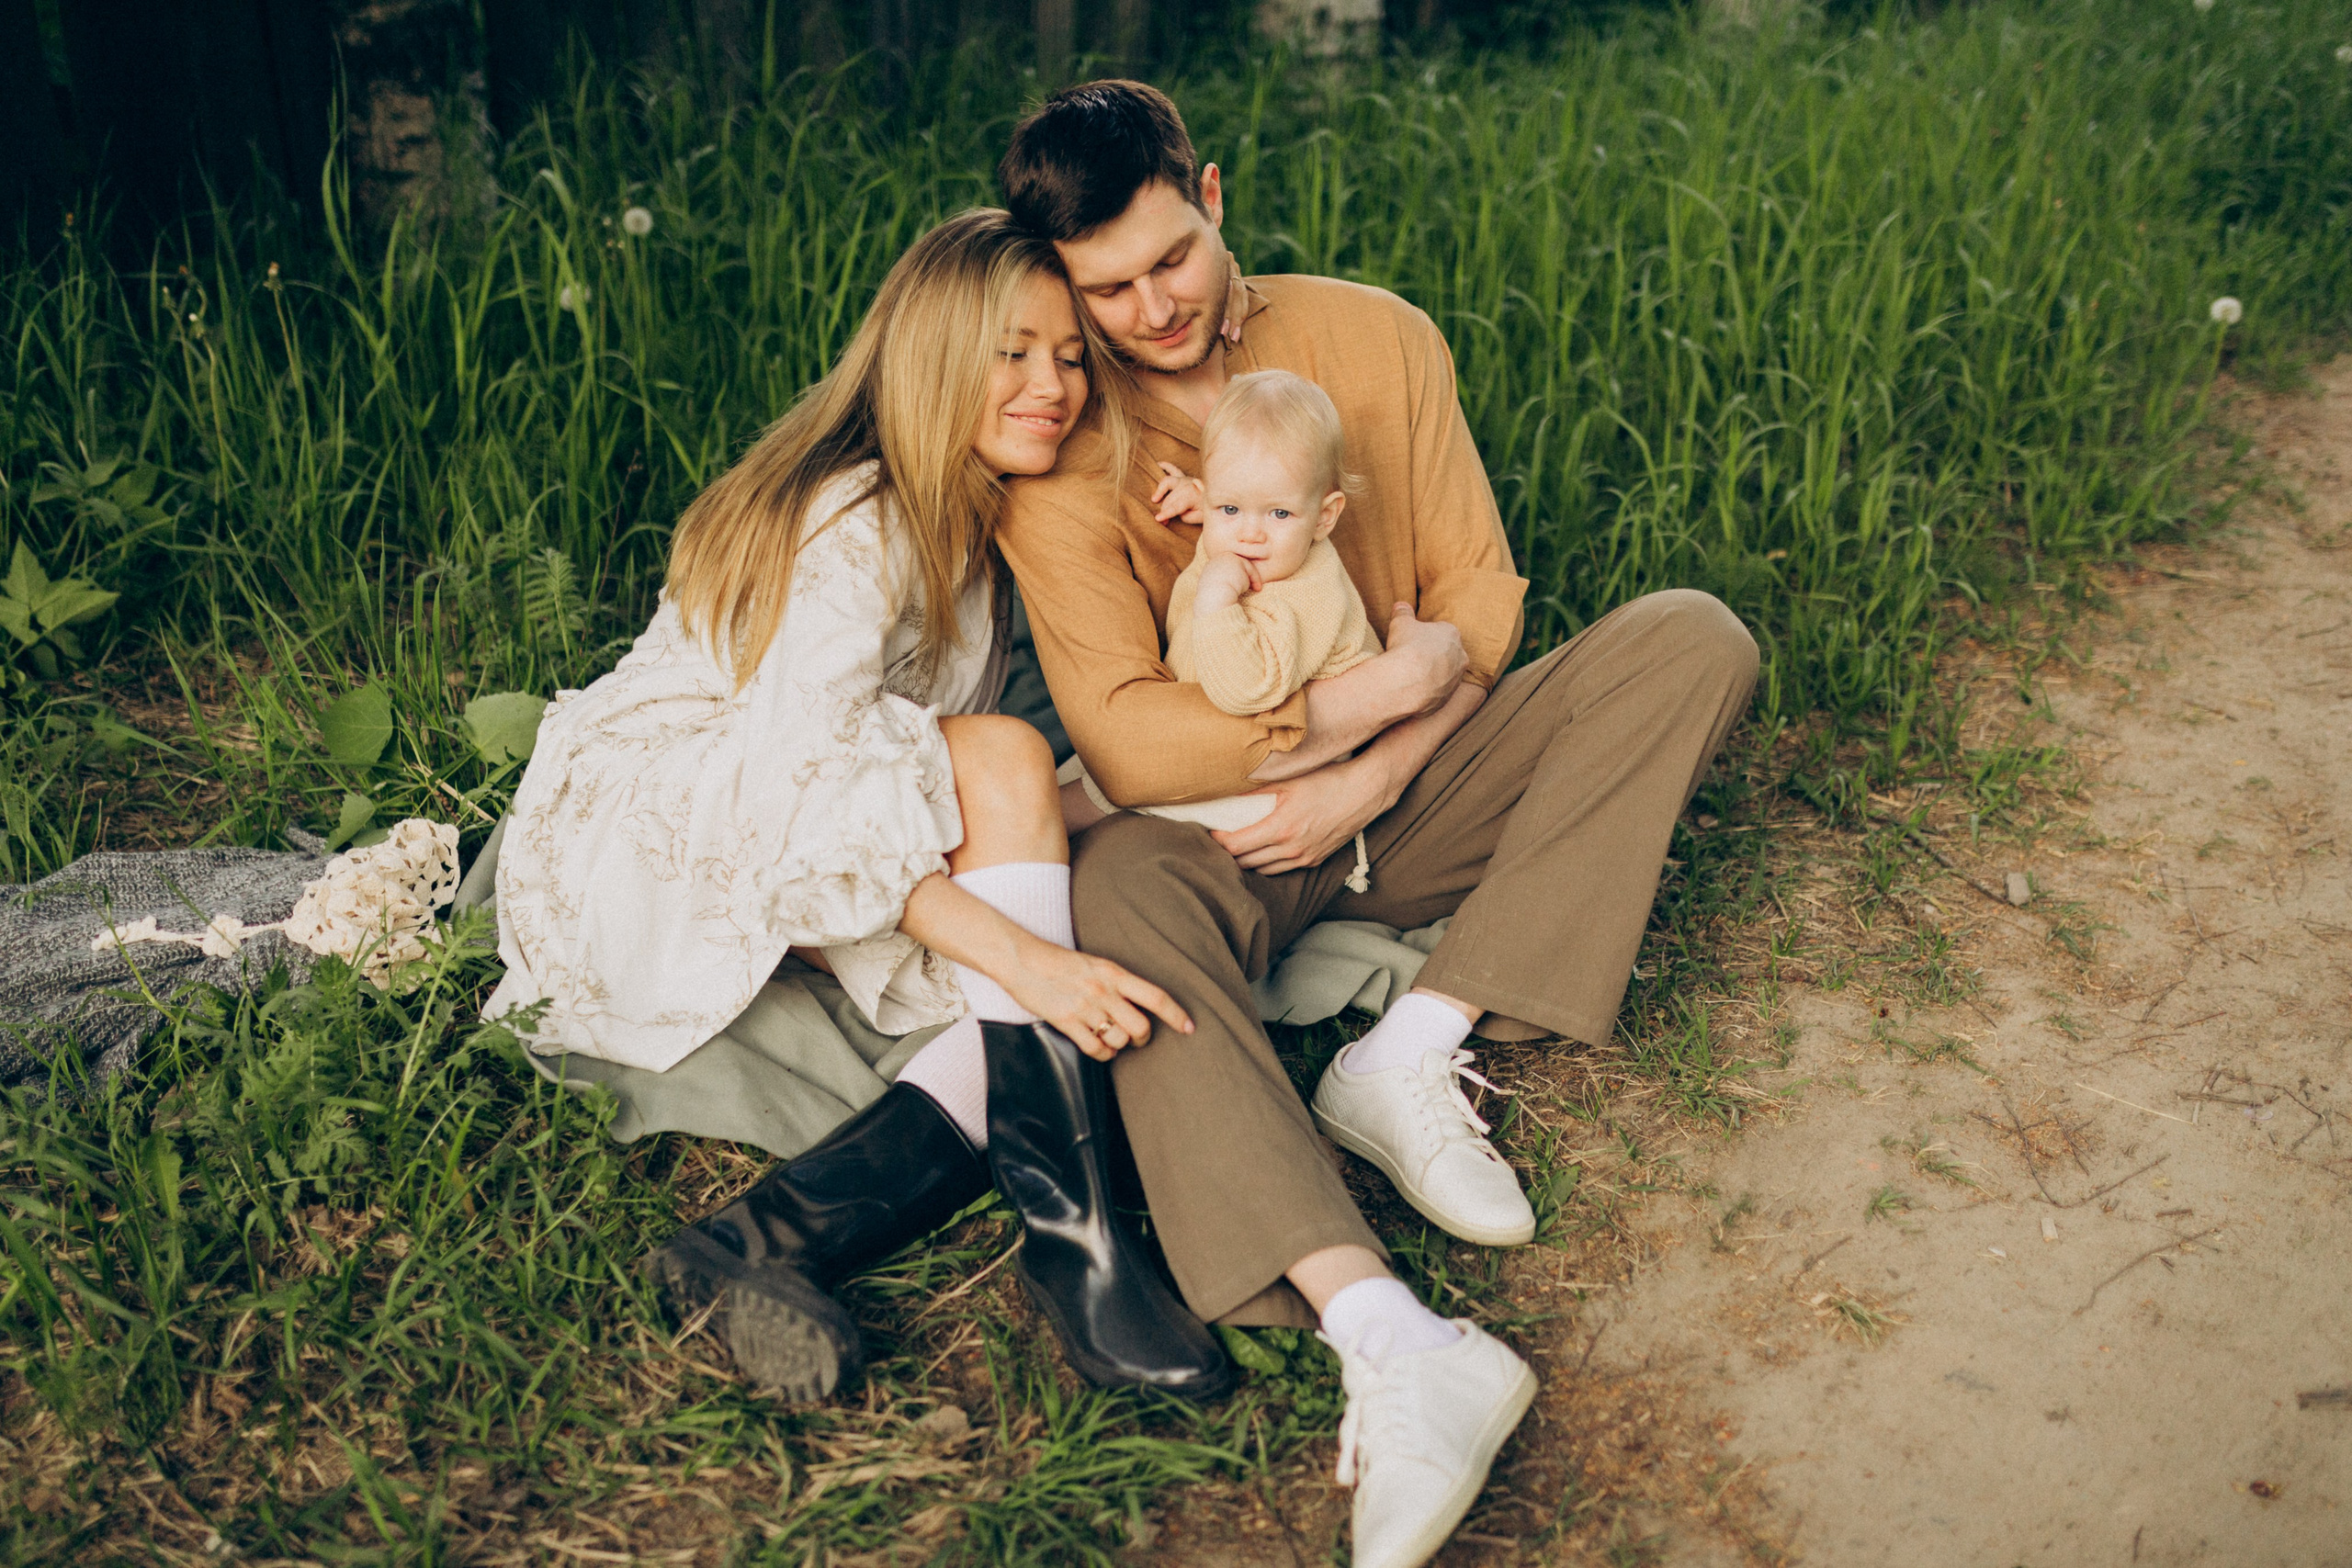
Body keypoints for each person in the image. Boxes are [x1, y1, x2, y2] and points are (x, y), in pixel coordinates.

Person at [994, 83, 1758, 1568]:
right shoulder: (1069, 448)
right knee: (1119, 898)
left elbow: (1478, 594)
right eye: (1106, 287)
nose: (1149, 307)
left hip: (1418, 789)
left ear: (1210, 194)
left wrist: (1375, 768)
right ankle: (1391, 1336)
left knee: (1692, 636)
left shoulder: (1379, 338)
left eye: (1170, 257)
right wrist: (1346, 725)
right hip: (1214, 836)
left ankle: (1412, 1046)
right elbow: (1128, 738)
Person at [482, 209, 1234, 1406]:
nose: (1055, 384)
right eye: (1014, 351)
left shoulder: (981, 516)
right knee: (1013, 870)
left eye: (1071, 356)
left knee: (1033, 946)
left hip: (825, 834)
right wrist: (1019, 955)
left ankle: (766, 1240)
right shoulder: (861, 512)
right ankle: (1082, 1249)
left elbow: (1020, 761)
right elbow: (798, 771)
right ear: (933, 354)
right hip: (671, 822)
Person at [1065, 369, 1385, 904]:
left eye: (1280, 513)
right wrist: (1202, 500)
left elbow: (1246, 692)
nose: (1249, 533)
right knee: (1092, 760)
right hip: (1227, 743)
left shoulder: (1304, 591)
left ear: (1325, 518)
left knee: (1108, 796)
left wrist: (1216, 596)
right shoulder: (1246, 536)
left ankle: (1058, 836)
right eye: (1230, 509)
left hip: (1294, 775)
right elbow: (1245, 503)